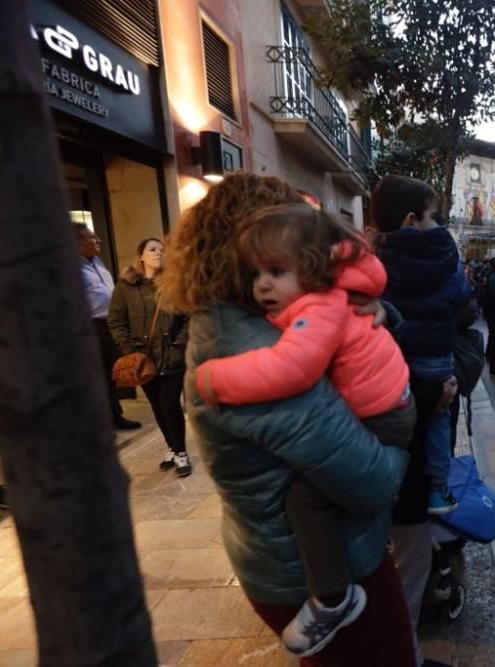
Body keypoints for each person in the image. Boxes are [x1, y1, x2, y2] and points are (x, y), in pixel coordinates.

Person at [160, 173, 413, 666]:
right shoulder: (254, 349)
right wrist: (405, 444)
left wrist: (379, 315)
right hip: (316, 573)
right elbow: (373, 481)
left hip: (294, 560)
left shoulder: (259, 319)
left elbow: (344, 336)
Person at [370, 175, 470, 514]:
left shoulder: (374, 258)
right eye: (431, 216)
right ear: (412, 219)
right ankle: (439, 489)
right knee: (438, 419)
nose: (436, 224)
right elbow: (461, 296)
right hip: (435, 356)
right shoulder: (443, 251)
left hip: (390, 361)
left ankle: (388, 491)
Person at [108, 238, 189, 476]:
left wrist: (179, 345)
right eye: (152, 250)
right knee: (157, 406)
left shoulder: (175, 284)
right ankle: (172, 448)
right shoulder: (125, 287)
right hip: (143, 359)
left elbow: (189, 316)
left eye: (162, 250)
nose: (159, 253)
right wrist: (131, 349)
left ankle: (181, 453)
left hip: (171, 354)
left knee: (170, 405)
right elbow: (116, 321)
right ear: (140, 256)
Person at [76, 224, 140, 430]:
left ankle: (115, 415)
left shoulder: (98, 261)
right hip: (90, 326)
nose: (98, 241)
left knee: (112, 373)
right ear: (78, 243)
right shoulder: (70, 267)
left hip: (109, 324)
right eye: (93, 238)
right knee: (97, 374)